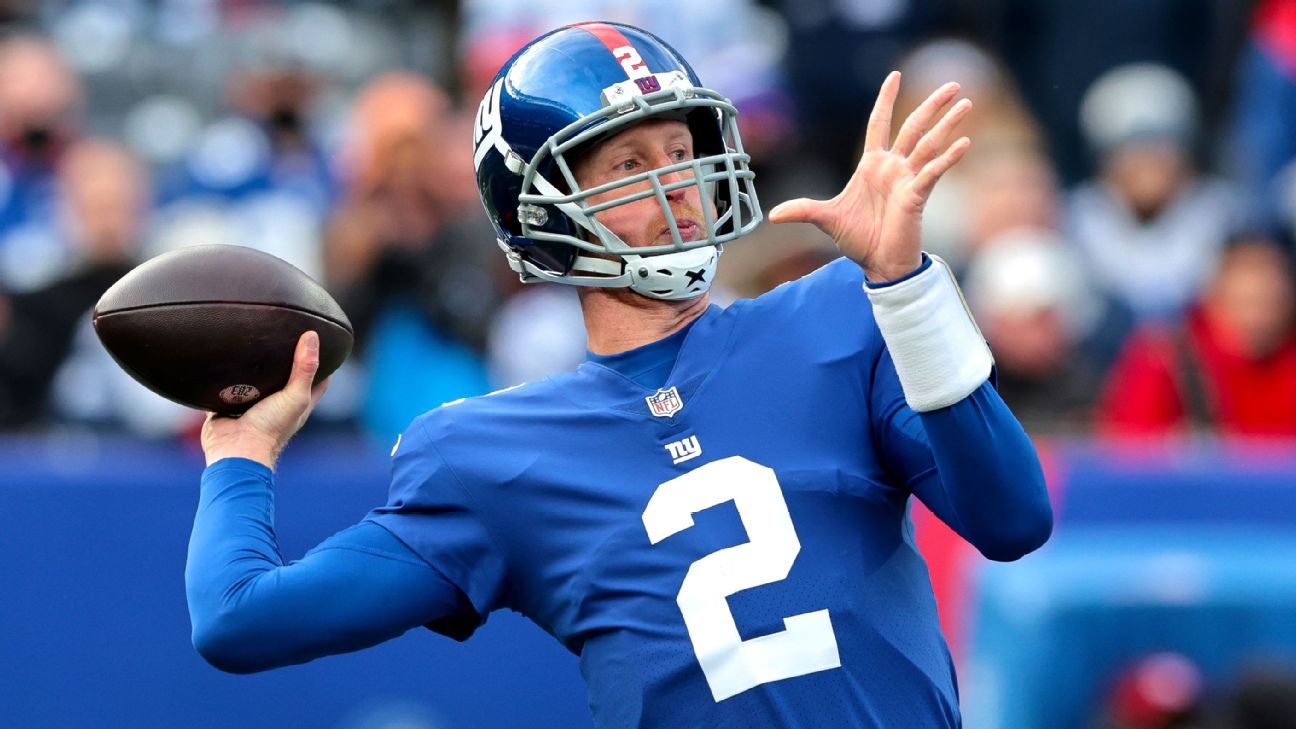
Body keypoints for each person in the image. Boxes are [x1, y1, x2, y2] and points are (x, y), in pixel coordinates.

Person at [186, 23, 1052, 728]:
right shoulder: (488, 453)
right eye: (630, 167)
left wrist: (907, 288)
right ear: (543, 213)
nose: (676, 185)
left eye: (681, 150)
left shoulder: (839, 314)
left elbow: (1013, 518)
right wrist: (241, 453)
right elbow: (239, 620)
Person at [1098, 233, 1296, 437]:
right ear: (1214, 293)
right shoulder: (1164, 359)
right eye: (1247, 301)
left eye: (1268, 301)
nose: (1257, 317)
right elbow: (1127, 453)